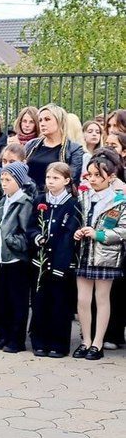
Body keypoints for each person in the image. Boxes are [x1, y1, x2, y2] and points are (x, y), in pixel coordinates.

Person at [73, 149, 126, 361]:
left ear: (111, 177)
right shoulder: (84, 195)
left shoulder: (119, 200)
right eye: (90, 175)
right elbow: (75, 220)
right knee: (82, 299)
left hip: (106, 255)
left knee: (102, 299)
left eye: (98, 175)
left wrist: (99, 234)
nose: (93, 179)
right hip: (83, 253)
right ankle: (85, 340)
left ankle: (98, 342)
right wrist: (78, 231)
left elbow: (123, 230)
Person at [27, 162, 80, 358]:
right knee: (40, 302)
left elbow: (69, 235)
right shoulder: (40, 200)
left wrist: (61, 264)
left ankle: (59, 344)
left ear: (66, 181)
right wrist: (36, 237)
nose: (50, 181)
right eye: (49, 177)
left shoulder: (73, 204)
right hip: (40, 262)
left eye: (56, 178)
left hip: (61, 263)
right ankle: (39, 341)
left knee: (60, 304)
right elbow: (31, 226)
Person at [0, 162, 33, 353]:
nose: (3, 183)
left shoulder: (24, 203)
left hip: (15, 259)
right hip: (0, 257)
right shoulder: (3, 201)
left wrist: (12, 240)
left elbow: (26, 232)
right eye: (2, 179)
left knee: (17, 301)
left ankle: (16, 339)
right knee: (2, 300)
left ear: (19, 182)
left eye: (8, 180)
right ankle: (2, 335)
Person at [25, 104, 84, 193]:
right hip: (29, 196)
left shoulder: (73, 149)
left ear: (59, 121)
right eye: (40, 120)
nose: (42, 123)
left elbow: (72, 179)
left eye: (47, 119)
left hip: (55, 197)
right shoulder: (31, 144)